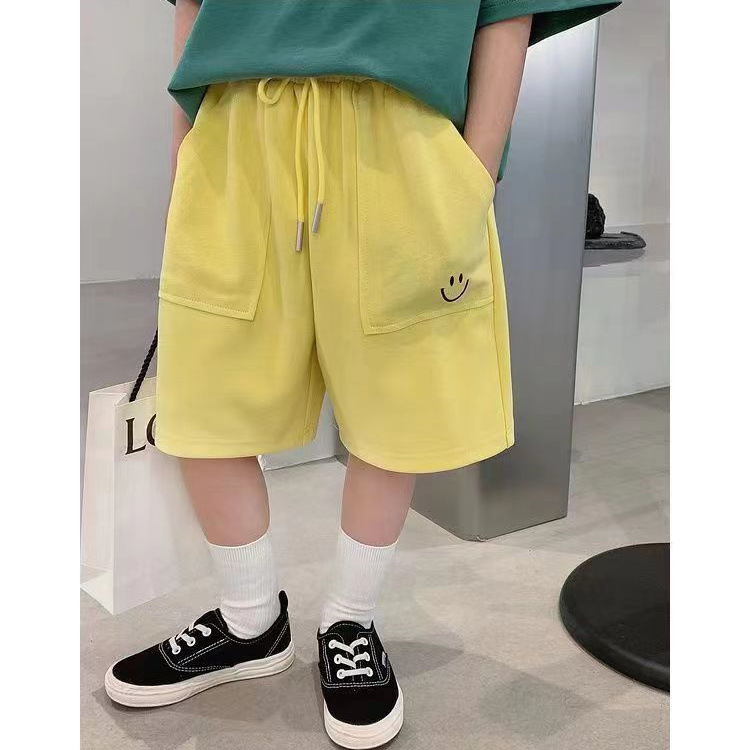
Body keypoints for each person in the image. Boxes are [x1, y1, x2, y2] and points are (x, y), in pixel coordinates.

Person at [104, 1, 620, 747]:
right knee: (204, 398)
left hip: (399, 135)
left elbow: (505, 9)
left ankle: (351, 620)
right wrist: (187, 156)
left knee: (394, 402)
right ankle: (249, 621)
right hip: (236, 133)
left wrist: (472, 176)